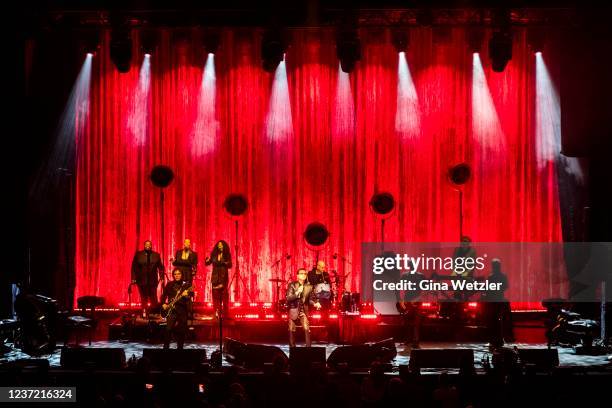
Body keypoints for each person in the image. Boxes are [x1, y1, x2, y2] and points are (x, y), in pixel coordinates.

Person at [482, 258, 512, 348]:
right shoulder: (503, 276)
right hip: (500, 299)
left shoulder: (491, 277)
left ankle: (494, 339)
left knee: (493, 321)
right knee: (500, 320)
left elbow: (487, 289)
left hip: (493, 301)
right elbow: (506, 286)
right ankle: (501, 338)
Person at [286, 268, 321, 347]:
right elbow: (289, 298)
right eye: (301, 273)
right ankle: (292, 348)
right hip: (293, 309)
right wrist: (297, 292)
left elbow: (309, 300)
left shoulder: (309, 287)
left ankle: (308, 348)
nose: (304, 275)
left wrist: (315, 304)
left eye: (305, 273)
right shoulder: (292, 285)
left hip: (303, 311)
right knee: (291, 329)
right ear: (297, 275)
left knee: (306, 329)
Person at [161, 268, 193, 349]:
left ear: (182, 275)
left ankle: (180, 348)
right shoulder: (169, 284)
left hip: (182, 310)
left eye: (179, 274)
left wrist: (186, 295)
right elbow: (163, 296)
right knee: (168, 329)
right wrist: (163, 304)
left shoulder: (186, 285)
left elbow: (190, 297)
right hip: (171, 310)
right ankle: (166, 347)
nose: (177, 275)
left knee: (181, 331)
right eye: (175, 274)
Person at [130, 240, 164, 315]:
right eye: (146, 244)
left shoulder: (156, 255)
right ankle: (144, 313)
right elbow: (134, 267)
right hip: (141, 281)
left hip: (153, 281)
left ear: (151, 246)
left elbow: (160, 267)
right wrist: (133, 278)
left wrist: (162, 277)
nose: (148, 245)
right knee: (143, 297)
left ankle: (154, 313)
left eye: (149, 244)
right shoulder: (138, 254)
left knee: (153, 297)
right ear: (144, 245)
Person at [205, 240, 232, 319]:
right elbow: (208, 263)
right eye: (219, 245)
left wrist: (225, 262)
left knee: (224, 295)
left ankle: (225, 314)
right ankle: (216, 313)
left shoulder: (227, 254)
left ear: (224, 246)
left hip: (223, 277)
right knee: (215, 295)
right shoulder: (214, 254)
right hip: (215, 277)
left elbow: (230, 264)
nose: (220, 246)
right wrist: (207, 260)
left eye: (221, 245)